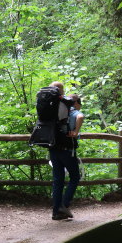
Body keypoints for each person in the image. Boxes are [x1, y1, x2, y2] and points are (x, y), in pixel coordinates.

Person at [49, 87, 84, 220]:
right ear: (76, 103)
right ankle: (64, 204)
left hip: (53, 148)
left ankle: (56, 211)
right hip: (67, 150)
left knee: (58, 180)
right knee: (75, 177)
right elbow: (81, 116)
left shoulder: (56, 110)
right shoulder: (73, 111)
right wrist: (75, 132)